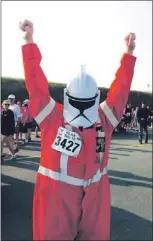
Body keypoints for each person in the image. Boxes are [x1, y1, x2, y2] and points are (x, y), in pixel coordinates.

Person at [20, 19, 136, 240]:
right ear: (67, 97)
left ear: (95, 100)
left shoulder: (104, 118)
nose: (82, 110)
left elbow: (120, 91)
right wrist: (29, 41)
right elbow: (35, 83)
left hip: (95, 198)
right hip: (55, 197)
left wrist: (128, 54)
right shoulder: (51, 116)